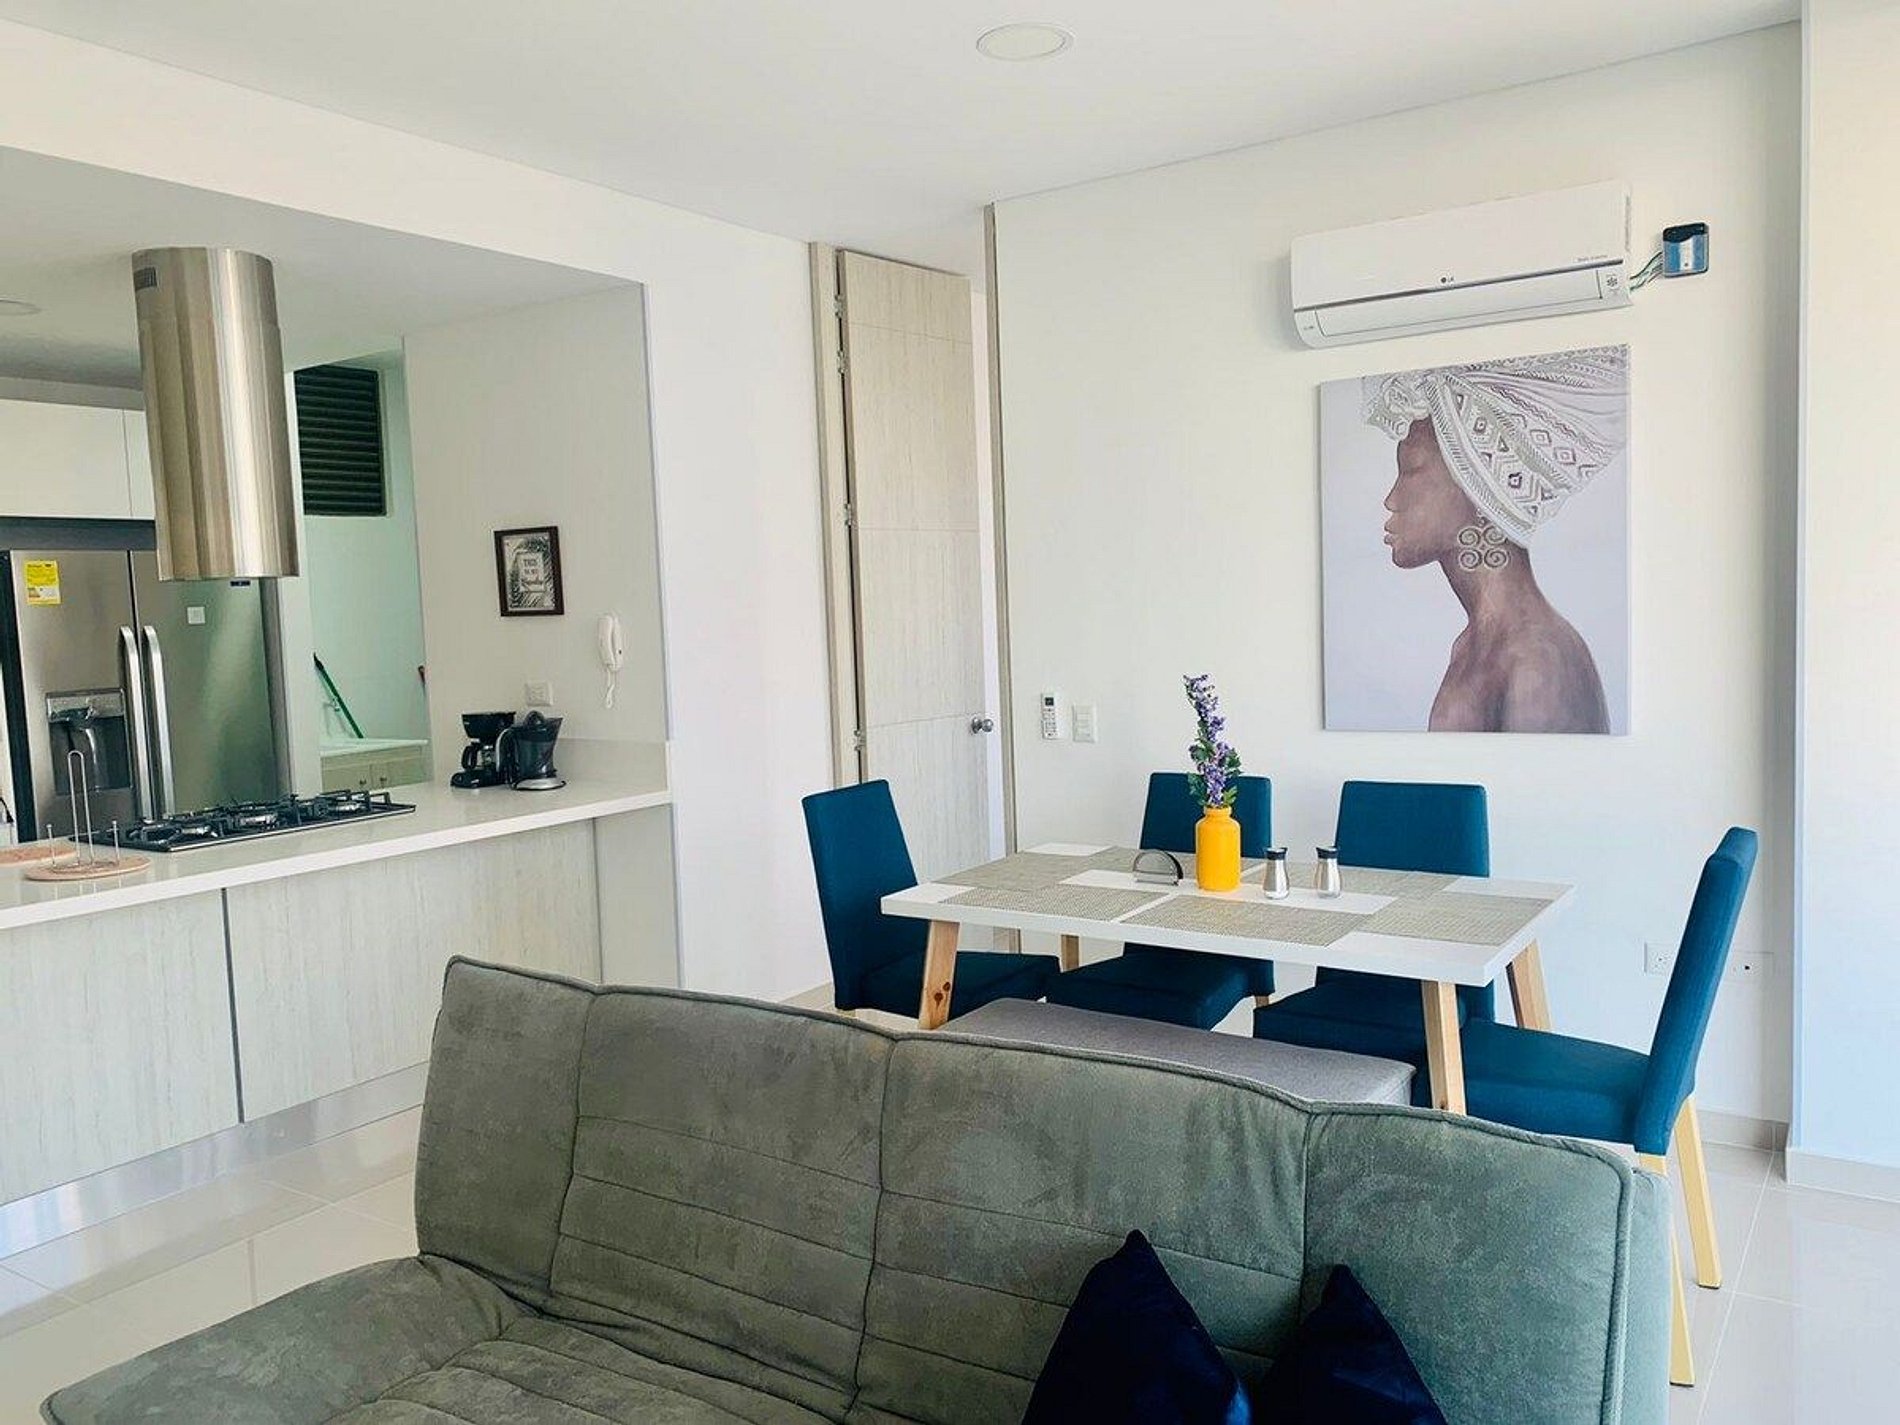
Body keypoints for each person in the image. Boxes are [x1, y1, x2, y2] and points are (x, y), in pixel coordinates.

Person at [1364, 345, 1626, 733]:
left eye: (1411, 471)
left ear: (1477, 486)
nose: (1391, 499)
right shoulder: (1471, 645)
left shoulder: (1538, 658)